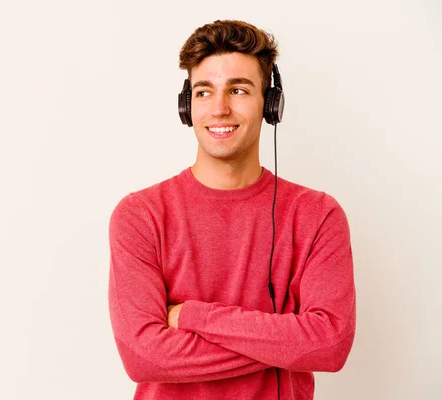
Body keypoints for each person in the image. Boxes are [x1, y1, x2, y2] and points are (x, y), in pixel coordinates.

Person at [108, 19, 356, 400]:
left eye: (238, 90)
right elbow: (144, 358)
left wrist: (192, 317)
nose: (219, 108)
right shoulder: (140, 214)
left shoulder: (317, 215)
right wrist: (287, 340)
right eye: (204, 92)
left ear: (270, 104)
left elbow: (328, 345)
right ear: (186, 105)